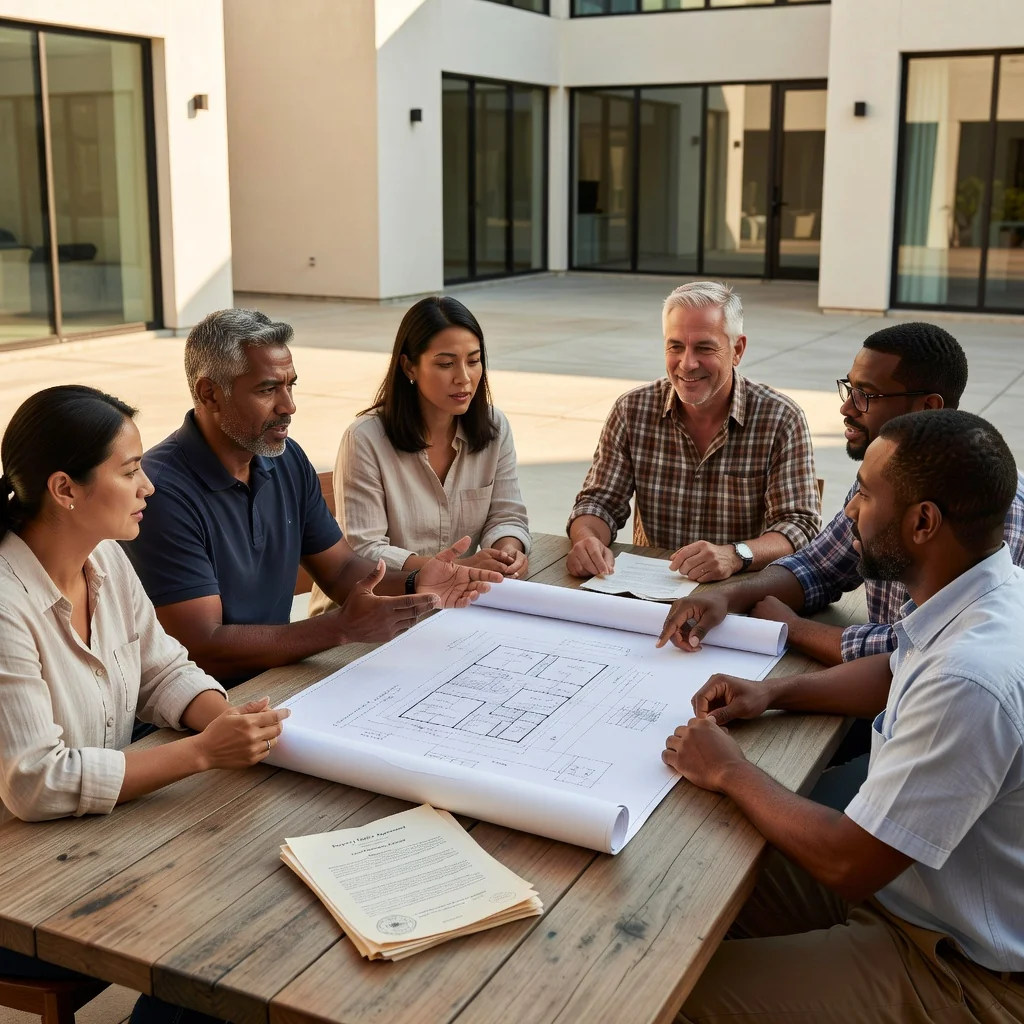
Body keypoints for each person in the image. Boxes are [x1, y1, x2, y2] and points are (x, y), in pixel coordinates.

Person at [663, 409, 1024, 1023]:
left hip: (954, 965)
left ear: (922, 522)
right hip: (909, 894)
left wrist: (731, 772)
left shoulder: (969, 677)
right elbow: (894, 670)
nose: (851, 509)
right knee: (683, 888)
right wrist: (772, 694)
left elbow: (847, 861)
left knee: (668, 996)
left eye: (864, 492)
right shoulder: (989, 591)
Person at [0, 385, 288, 1024]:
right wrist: (201, 754)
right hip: (19, 888)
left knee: (252, 892)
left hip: (93, 841)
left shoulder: (104, 556)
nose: (148, 486)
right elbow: (34, 782)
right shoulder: (4, 603)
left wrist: (228, 720)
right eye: (130, 471)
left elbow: (162, 670)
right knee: (218, 945)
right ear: (65, 489)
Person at [124, 309, 502, 685]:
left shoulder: (285, 458)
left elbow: (339, 570)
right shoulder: (161, 491)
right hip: (198, 705)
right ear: (210, 394)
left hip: (276, 680)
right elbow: (202, 646)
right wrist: (338, 629)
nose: (288, 406)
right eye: (267, 389)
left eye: (291, 386)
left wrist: (416, 581)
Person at [659, 322, 1024, 667]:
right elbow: (818, 568)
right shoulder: (884, 474)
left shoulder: (993, 511)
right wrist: (725, 596)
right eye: (850, 389)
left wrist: (795, 629)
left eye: (866, 395)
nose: (847, 408)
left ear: (927, 407)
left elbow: (924, 650)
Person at [566, 281, 820, 583]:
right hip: (649, 591)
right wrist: (588, 539)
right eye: (676, 346)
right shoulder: (631, 410)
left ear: (737, 349)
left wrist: (734, 555)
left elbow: (799, 527)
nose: (687, 363)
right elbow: (599, 503)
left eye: (704, 347)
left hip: (737, 594)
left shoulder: (780, 418)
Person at [308, 296, 530, 616]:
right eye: (445, 363)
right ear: (409, 366)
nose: (464, 377)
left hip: (452, 607)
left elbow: (507, 515)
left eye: (473, 360)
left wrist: (507, 550)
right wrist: (453, 569)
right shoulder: (366, 438)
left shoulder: (494, 427)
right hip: (367, 614)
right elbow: (365, 549)